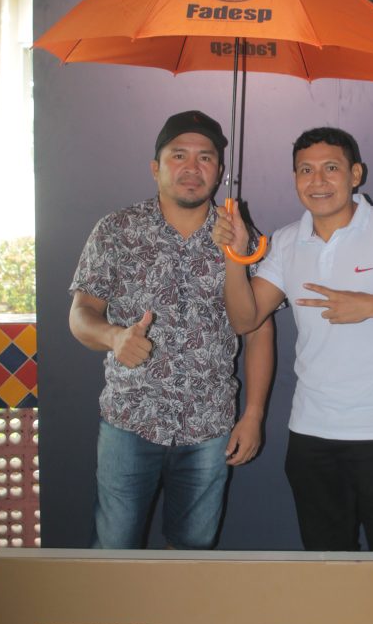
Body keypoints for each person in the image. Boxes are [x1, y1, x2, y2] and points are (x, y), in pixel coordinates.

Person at [213, 126, 373, 552]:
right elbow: (245, 319)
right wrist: (236, 258)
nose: (317, 181)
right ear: (295, 178)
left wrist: (370, 304)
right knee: (325, 569)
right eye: (305, 170)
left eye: (330, 168)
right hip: (310, 435)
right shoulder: (287, 241)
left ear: (355, 174)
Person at [68, 109, 274, 550]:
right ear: (155, 167)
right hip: (129, 421)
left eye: (205, 158)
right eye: (178, 155)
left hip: (209, 426)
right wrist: (114, 337)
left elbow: (257, 330)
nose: (192, 167)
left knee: (191, 558)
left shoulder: (243, 236)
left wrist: (254, 414)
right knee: (113, 552)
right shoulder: (117, 230)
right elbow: (81, 313)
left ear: (220, 172)